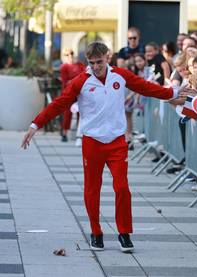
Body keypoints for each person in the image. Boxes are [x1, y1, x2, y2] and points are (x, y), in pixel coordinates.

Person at [21, 42, 181, 253]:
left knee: (122, 187)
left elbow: (146, 87)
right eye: (92, 63)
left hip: (116, 141)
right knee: (92, 189)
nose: (96, 66)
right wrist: (35, 124)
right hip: (92, 141)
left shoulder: (120, 75)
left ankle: (124, 233)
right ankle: (96, 232)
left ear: (108, 57)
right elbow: (60, 104)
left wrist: (172, 93)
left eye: (100, 61)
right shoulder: (81, 81)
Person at [60, 48, 86, 142]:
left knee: (82, 112)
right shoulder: (64, 67)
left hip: (80, 92)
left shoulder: (79, 65)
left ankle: (81, 134)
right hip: (69, 92)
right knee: (67, 113)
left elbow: (85, 76)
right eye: (67, 55)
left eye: (71, 54)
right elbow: (65, 82)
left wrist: (75, 81)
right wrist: (76, 81)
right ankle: (64, 133)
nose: (69, 56)